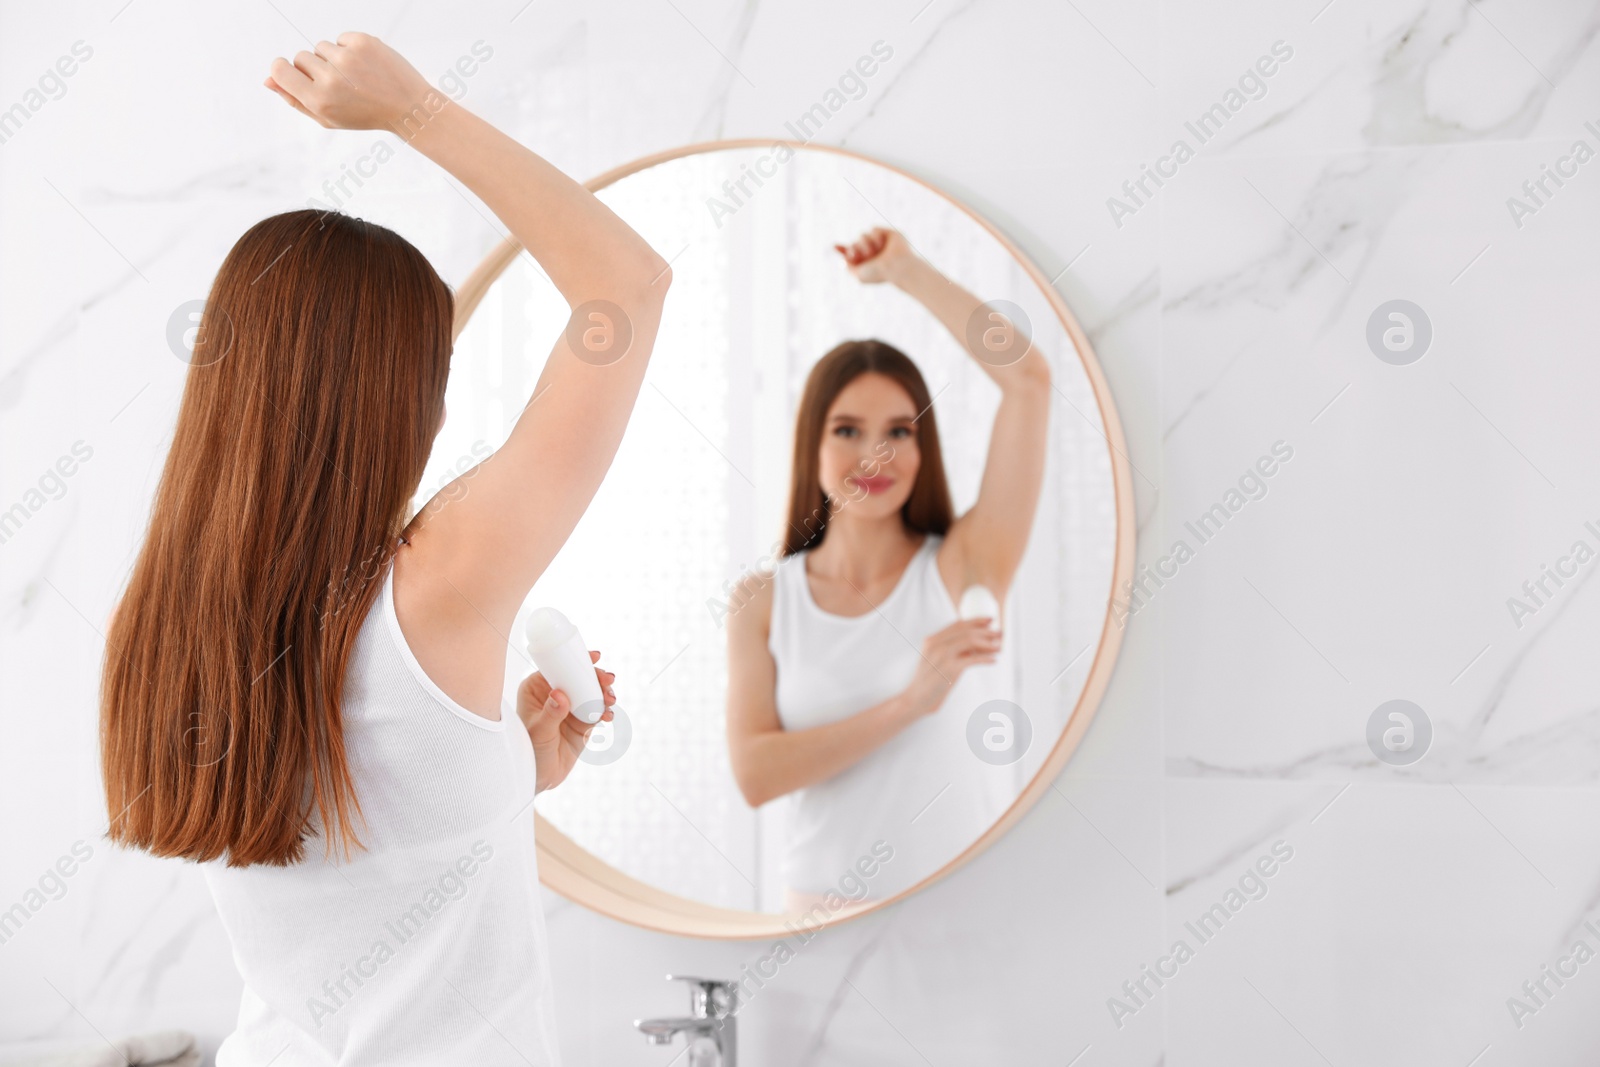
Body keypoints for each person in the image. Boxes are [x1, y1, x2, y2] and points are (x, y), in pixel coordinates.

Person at [97, 32, 671, 1065]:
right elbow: (625, 284)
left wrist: (500, 771)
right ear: (400, 395)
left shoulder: (169, 617)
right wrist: (413, 108)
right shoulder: (439, 579)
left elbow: (340, 863)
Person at [725, 227, 1052, 912]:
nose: (875, 455)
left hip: (963, 913)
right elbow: (755, 773)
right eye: (847, 430)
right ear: (812, 444)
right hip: (817, 920)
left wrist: (905, 269)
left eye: (899, 431)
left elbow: (1028, 380)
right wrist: (909, 703)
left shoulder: (965, 563)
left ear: (922, 446)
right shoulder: (763, 599)